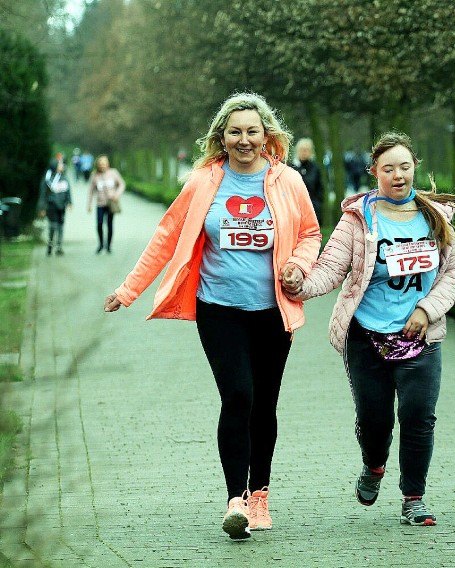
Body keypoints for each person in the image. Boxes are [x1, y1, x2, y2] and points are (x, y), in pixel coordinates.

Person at [102, 92, 322, 540]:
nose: (244, 140)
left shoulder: (288, 181)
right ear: (221, 136)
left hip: (272, 310)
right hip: (219, 308)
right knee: (238, 395)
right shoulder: (205, 181)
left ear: (267, 136)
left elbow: (310, 232)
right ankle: (235, 500)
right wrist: (128, 290)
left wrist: (299, 264)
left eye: (252, 132)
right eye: (235, 132)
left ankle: (260, 494)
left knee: (264, 404)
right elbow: (166, 236)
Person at [282, 131, 455, 527]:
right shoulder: (358, 218)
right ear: (374, 172)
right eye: (388, 169)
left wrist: (426, 309)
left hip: (420, 335)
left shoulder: (435, 216)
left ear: (415, 166)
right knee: (375, 419)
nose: (397, 175)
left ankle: (414, 498)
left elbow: (453, 271)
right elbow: (332, 268)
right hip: (366, 337)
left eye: (404, 166)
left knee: (419, 416)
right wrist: (299, 285)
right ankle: (373, 463)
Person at [87, 155, 125, 254]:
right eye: (101, 164)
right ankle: (100, 244)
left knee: (109, 224)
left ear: (108, 164)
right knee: (99, 224)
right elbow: (91, 191)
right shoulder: (94, 175)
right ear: (98, 165)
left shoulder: (113, 173)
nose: (103, 165)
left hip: (111, 203)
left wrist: (117, 195)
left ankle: (108, 245)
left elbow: (122, 184)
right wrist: (89, 204)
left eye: (104, 163)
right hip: (100, 204)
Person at [37, 159, 73, 256]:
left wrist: (70, 202)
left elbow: (68, 191)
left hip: (62, 206)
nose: (62, 166)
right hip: (51, 205)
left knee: (60, 226)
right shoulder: (48, 179)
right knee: (53, 226)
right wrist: (42, 208)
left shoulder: (64, 178)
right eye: (60, 165)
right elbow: (43, 195)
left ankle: (59, 246)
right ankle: (50, 244)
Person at [291, 138, 324, 225]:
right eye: (302, 149)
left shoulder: (315, 168)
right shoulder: (290, 167)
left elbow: (319, 188)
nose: (304, 152)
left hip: (312, 207)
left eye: (306, 150)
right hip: (294, 209)